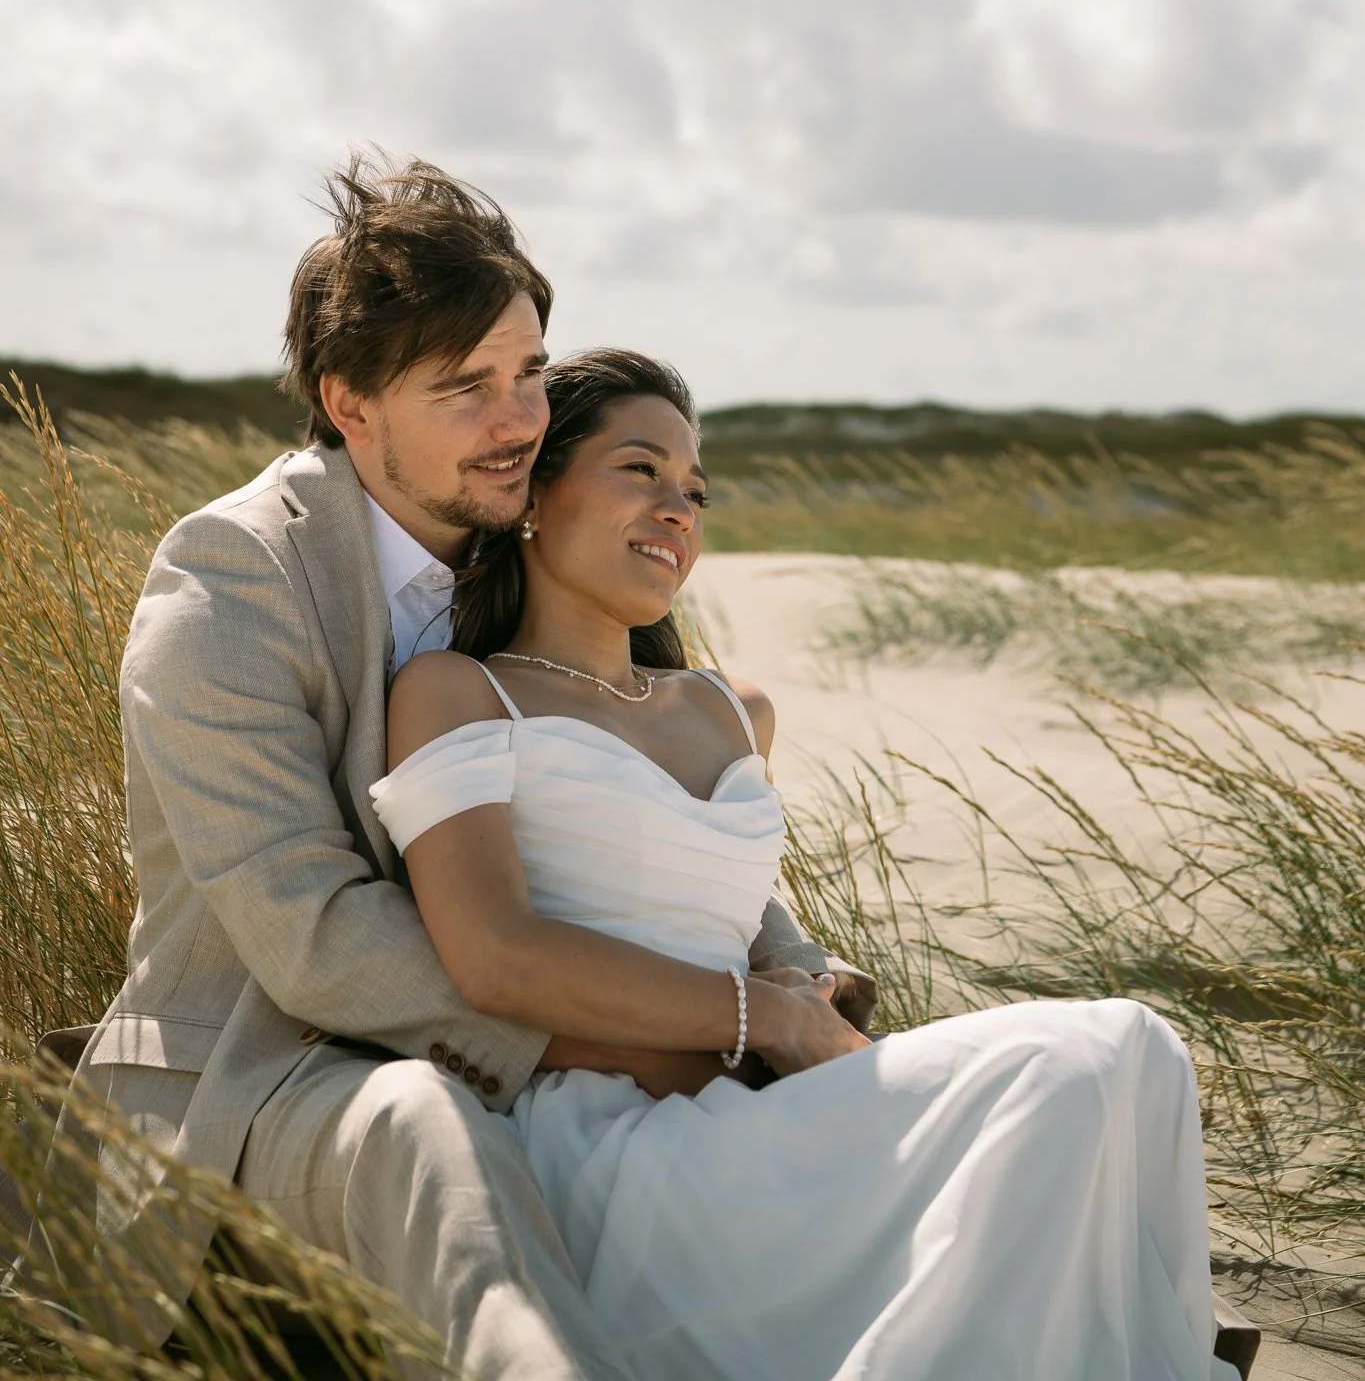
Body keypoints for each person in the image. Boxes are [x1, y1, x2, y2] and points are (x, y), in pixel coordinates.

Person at [34, 157, 866, 1373]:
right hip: (274, 1073)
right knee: (427, 1128)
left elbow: (648, 803)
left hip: (583, 1049)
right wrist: (666, 1036)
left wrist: (787, 967)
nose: (519, 418)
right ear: (351, 402)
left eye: (528, 371)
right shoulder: (229, 583)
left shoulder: (532, 549)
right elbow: (311, 932)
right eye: (466, 385)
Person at [375, 347, 1244, 1381]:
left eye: (695, 490)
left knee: (1141, 1060)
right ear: (531, 494)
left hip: (762, 1100)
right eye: (641, 470)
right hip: (614, 1143)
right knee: (1089, 1057)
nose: (677, 509)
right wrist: (767, 1016)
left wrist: (808, 988)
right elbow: (495, 956)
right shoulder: (460, 692)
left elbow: (733, 916)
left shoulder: (731, 710)